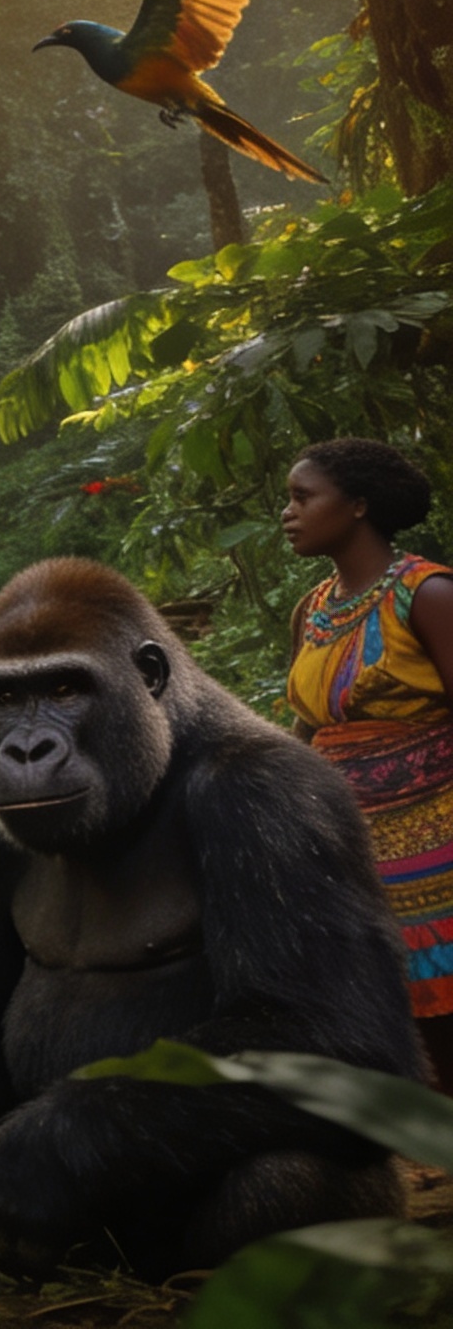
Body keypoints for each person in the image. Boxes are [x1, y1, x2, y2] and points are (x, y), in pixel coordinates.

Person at [283, 437, 453, 1087]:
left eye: (303, 497)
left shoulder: (427, 594)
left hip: (436, 839)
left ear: (356, 504)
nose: (288, 513)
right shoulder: (314, 610)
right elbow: (306, 729)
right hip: (350, 844)